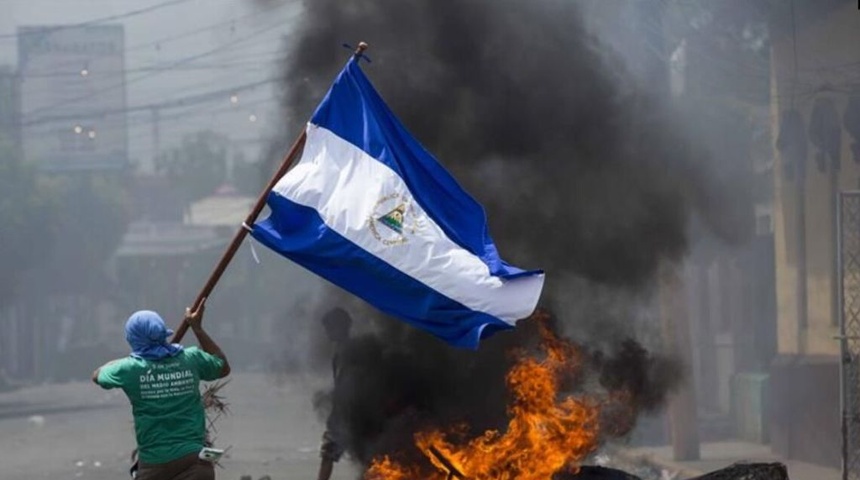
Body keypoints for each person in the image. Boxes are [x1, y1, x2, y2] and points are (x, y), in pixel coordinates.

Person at [92, 301, 230, 480]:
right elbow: (222, 366)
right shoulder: (191, 358)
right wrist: (197, 328)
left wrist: (132, 359)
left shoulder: (129, 369)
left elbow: (97, 375)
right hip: (196, 462)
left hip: (155, 467)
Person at [316, 307, 353, 480]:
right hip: (348, 413)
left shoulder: (347, 352)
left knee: (328, 454)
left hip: (348, 414)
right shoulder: (343, 350)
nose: (327, 333)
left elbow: (345, 385)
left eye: (329, 328)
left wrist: (336, 413)